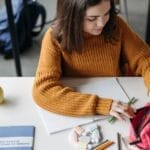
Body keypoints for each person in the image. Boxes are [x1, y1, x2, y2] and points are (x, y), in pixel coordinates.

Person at [32, 0, 150, 121]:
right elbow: (43, 90)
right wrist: (100, 105)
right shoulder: (54, 37)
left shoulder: (116, 25)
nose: (102, 23)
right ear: (72, 17)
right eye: (92, 18)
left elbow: (145, 59)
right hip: (81, 112)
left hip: (120, 104)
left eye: (107, 13)